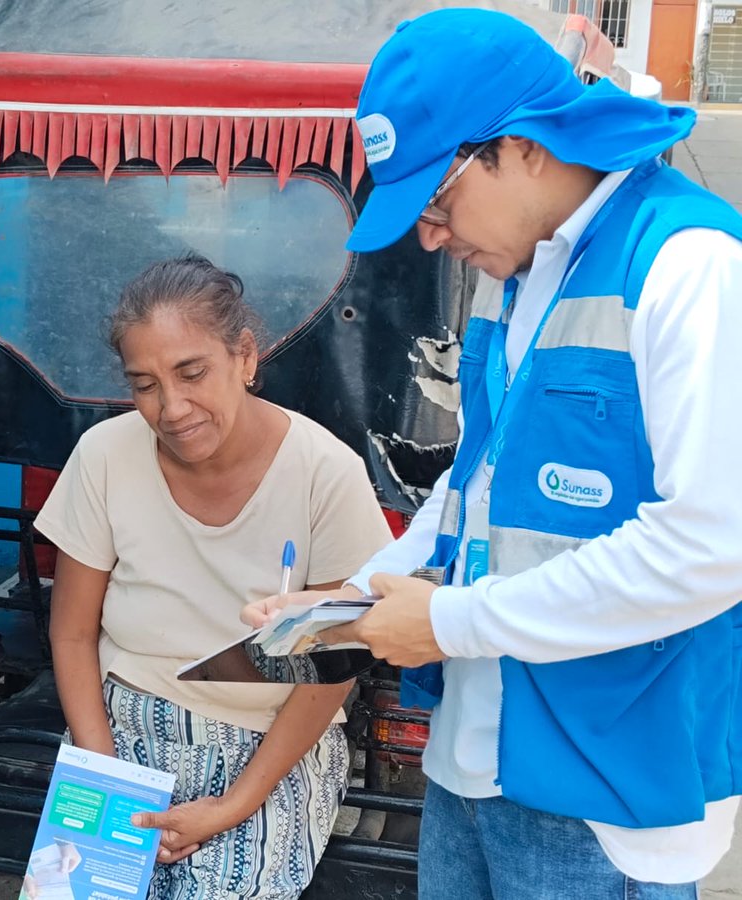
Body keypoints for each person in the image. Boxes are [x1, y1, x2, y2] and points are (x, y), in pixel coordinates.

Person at [244, 8, 742, 899]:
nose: (430, 236)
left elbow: (712, 545)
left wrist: (443, 625)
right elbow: (473, 487)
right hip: (472, 759)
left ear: (520, 147)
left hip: (608, 793)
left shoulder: (689, 265)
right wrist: (354, 596)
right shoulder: (506, 281)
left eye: (436, 200)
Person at [33, 255, 392, 899]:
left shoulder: (324, 473)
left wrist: (232, 805)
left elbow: (332, 673)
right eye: (144, 384)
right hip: (118, 730)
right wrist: (106, 777)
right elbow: (71, 635)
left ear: (246, 357)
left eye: (191, 372)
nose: (171, 407)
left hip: (270, 746)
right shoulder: (105, 456)